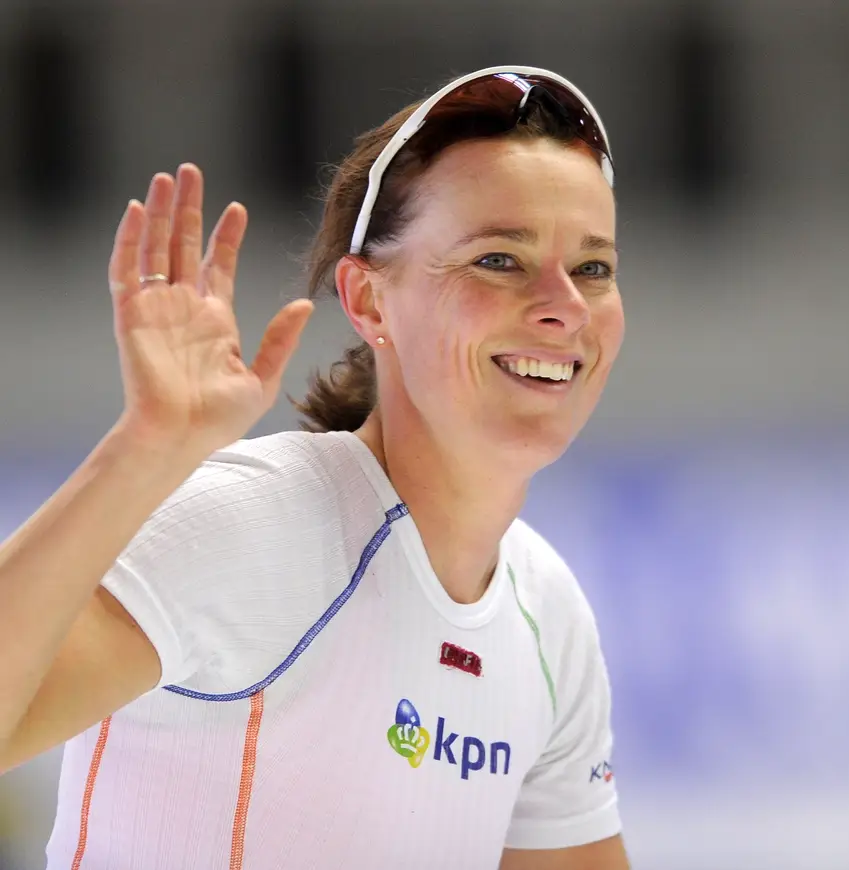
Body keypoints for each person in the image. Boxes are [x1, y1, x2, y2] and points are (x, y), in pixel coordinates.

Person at [0, 66, 628, 869]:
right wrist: (144, 450)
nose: (564, 307)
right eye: (499, 259)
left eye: (593, 268)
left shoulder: (547, 615)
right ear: (367, 302)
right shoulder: (256, 524)